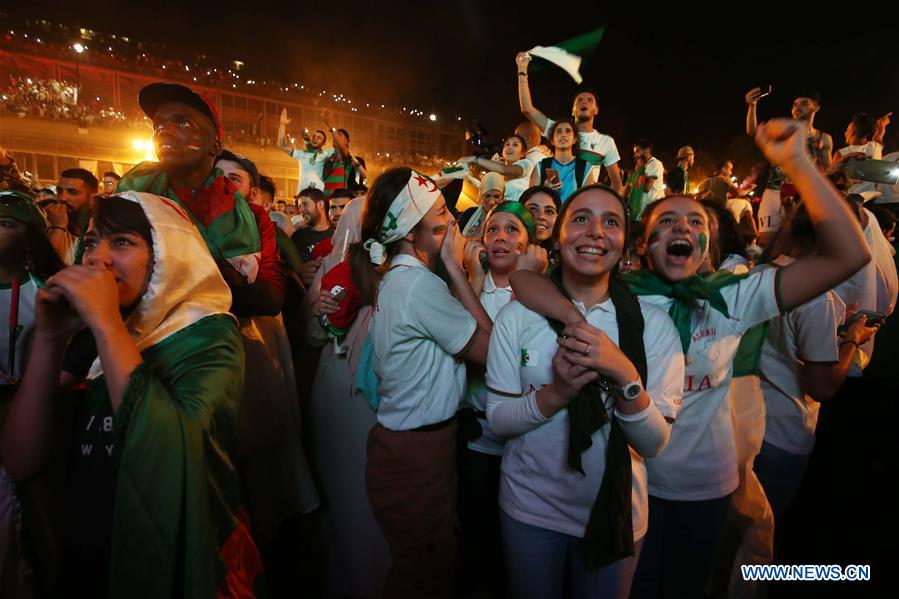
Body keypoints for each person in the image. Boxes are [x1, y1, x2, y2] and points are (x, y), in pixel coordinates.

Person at [510, 119, 871, 598]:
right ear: (642, 244)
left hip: (704, 486)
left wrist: (799, 163)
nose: (682, 227)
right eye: (666, 222)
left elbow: (848, 255)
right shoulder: (620, 295)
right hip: (630, 485)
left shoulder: (734, 297)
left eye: (696, 223)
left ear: (708, 246)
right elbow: (525, 281)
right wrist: (574, 320)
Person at [1, 192, 263, 598]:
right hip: (87, 553)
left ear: (166, 255)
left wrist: (106, 323)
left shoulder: (209, 337)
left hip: (165, 558)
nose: (97, 258)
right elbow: (20, 460)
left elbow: (171, 460)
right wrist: (50, 340)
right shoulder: (95, 332)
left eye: (122, 242)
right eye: (90, 242)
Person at [487, 185, 684, 599]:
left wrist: (624, 372)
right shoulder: (517, 317)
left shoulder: (653, 324)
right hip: (530, 508)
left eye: (611, 222)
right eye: (581, 219)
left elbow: (653, 443)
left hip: (616, 513)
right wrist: (557, 393)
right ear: (558, 237)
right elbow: (499, 420)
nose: (596, 231)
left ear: (624, 244)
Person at [352, 167, 492, 598]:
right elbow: (491, 350)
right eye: (441, 212)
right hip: (417, 455)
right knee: (425, 576)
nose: (453, 220)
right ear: (413, 232)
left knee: (420, 569)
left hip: (407, 447)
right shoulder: (417, 285)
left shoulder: (400, 278)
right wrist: (456, 266)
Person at [754, 202, 879, 531]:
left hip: (743, 423)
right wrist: (852, 339)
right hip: (783, 431)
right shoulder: (817, 298)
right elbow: (822, 386)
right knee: (761, 535)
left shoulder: (760, 273)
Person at [118, 82, 284, 318]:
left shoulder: (255, 219)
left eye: (182, 122)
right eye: (158, 125)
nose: (164, 131)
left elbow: (270, 299)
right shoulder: (130, 202)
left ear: (214, 145)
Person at [457, 201, 547, 597]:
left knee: (516, 544)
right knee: (476, 536)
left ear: (529, 244)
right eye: (493, 229)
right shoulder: (471, 284)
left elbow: (506, 351)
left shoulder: (542, 293)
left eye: (513, 230)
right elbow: (460, 336)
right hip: (476, 439)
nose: (500, 237)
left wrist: (529, 281)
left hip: (522, 443)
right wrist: (474, 278)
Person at [517, 52, 623, 194]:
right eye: (580, 100)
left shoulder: (606, 142)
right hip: (555, 199)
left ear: (596, 110)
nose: (584, 102)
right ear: (573, 110)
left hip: (583, 202)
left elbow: (616, 183)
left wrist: (608, 205)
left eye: (589, 100)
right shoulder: (558, 129)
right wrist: (522, 70)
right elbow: (527, 109)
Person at [745, 88, 833, 243]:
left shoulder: (822, 138)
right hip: (773, 193)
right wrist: (752, 106)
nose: (797, 107)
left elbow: (828, 171)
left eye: (804, 102)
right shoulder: (781, 131)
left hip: (802, 196)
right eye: (795, 104)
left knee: (797, 244)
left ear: (816, 107)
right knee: (767, 242)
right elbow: (753, 131)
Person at [530, 119, 597, 202]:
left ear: (574, 140)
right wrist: (545, 190)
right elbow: (530, 201)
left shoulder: (586, 167)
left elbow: (587, 202)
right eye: (559, 132)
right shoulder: (540, 166)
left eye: (568, 131)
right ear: (552, 141)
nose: (563, 135)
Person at [458, 134, 536, 202]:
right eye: (507, 144)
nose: (510, 147)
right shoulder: (498, 173)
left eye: (515, 145)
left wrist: (475, 159)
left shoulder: (526, 164)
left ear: (523, 153)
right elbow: (481, 199)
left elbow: (505, 169)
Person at [45, 168, 98, 264]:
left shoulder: (101, 230)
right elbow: (44, 263)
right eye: (59, 191)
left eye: (73, 193)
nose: (62, 198)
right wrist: (58, 226)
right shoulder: (48, 223)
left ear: (92, 199)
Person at [278, 107, 334, 193]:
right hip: (302, 195)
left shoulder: (326, 153)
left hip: (317, 195)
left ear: (324, 143)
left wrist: (331, 125)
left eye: (319, 137)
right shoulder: (302, 154)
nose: (315, 138)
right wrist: (282, 125)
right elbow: (281, 146)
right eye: (314, 136)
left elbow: (341, 148)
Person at [520, 185, 562, 268]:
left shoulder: (564, 259)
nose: (541, 216)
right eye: (533, 209)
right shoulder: (505, 251)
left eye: (549, 211)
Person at [624, 140, 664, 220]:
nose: (635, 155)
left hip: (652, 208)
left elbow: (647, 188)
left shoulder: (655, 163)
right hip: (643, 209)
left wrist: (639, 172)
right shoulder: (644, 166)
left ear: (647, 150)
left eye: (637, 151)